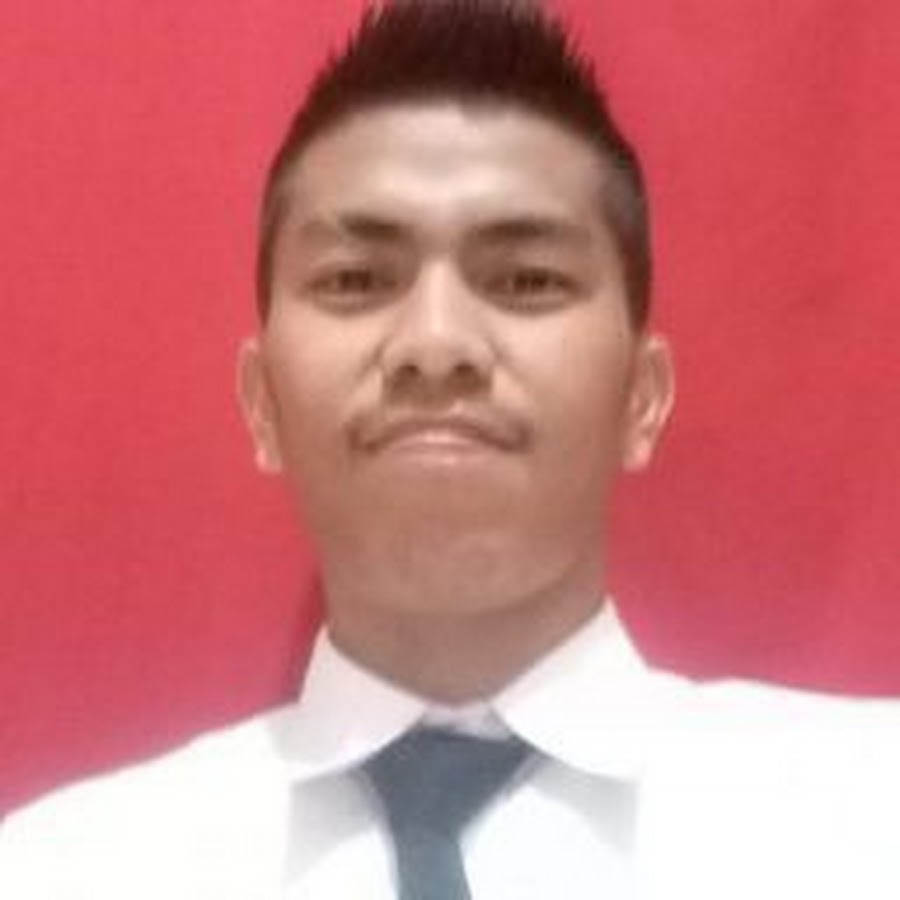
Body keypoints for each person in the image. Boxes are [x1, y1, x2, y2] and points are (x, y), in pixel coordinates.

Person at [2, 1, 898, 898]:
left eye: (527, 279)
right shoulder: (62, 868)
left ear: (642, 396)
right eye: (356, 279)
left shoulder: (867, 813)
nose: (436, 343)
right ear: (262, 402)